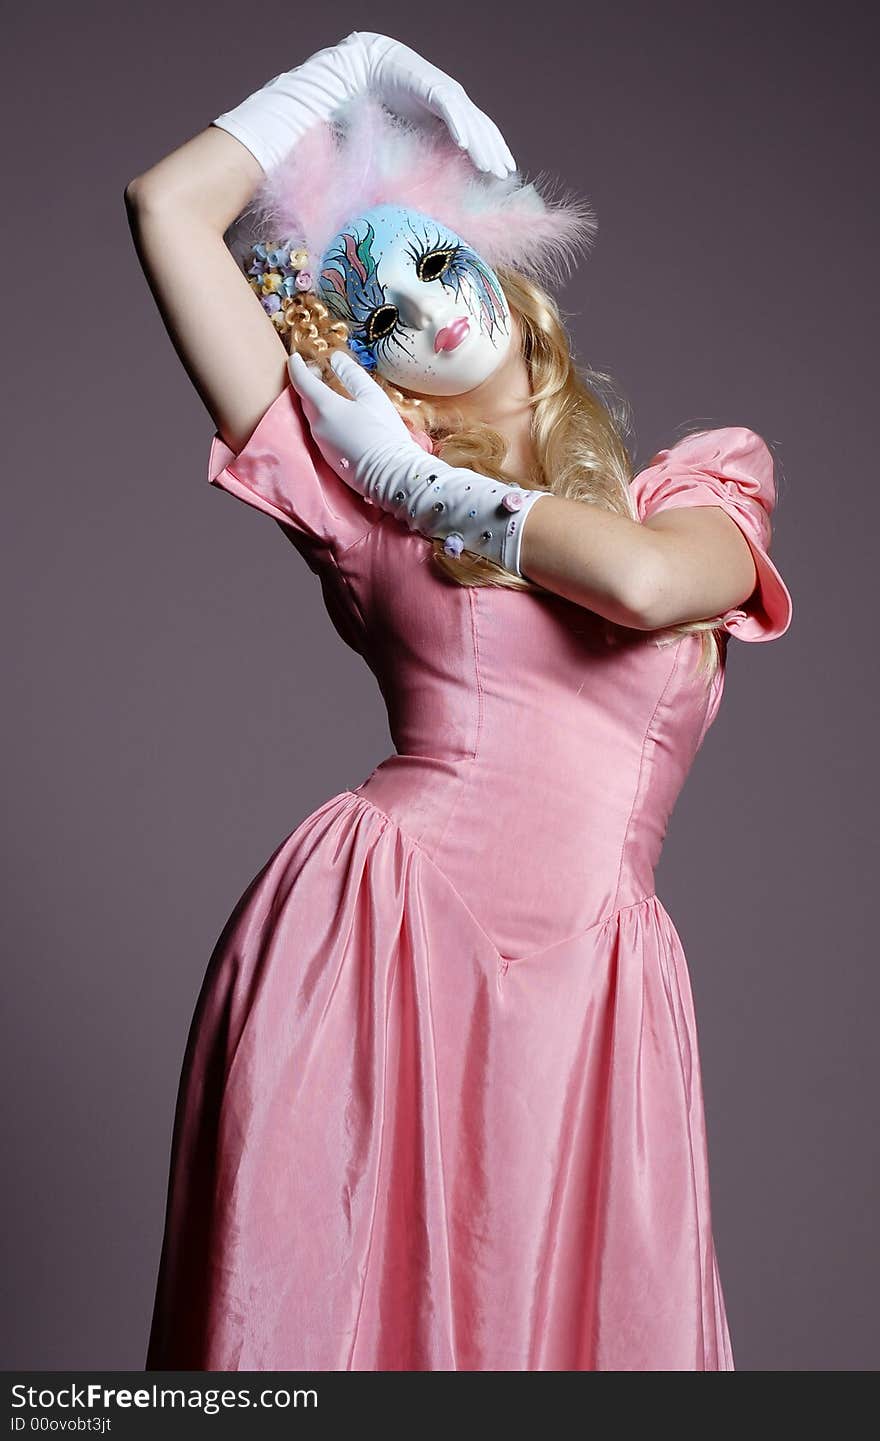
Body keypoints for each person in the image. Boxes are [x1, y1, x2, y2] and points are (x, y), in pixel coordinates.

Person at [126, 30, 793, 1372]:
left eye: (438, 259)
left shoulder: (703, 482)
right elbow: (166, 210)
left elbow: (645, 586)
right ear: (371, 374)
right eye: (376, 315)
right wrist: (353, 64)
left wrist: (434, 487)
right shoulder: (356, 500)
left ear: (502, 274)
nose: (425, 306)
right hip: (377, 942)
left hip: (599, 993)